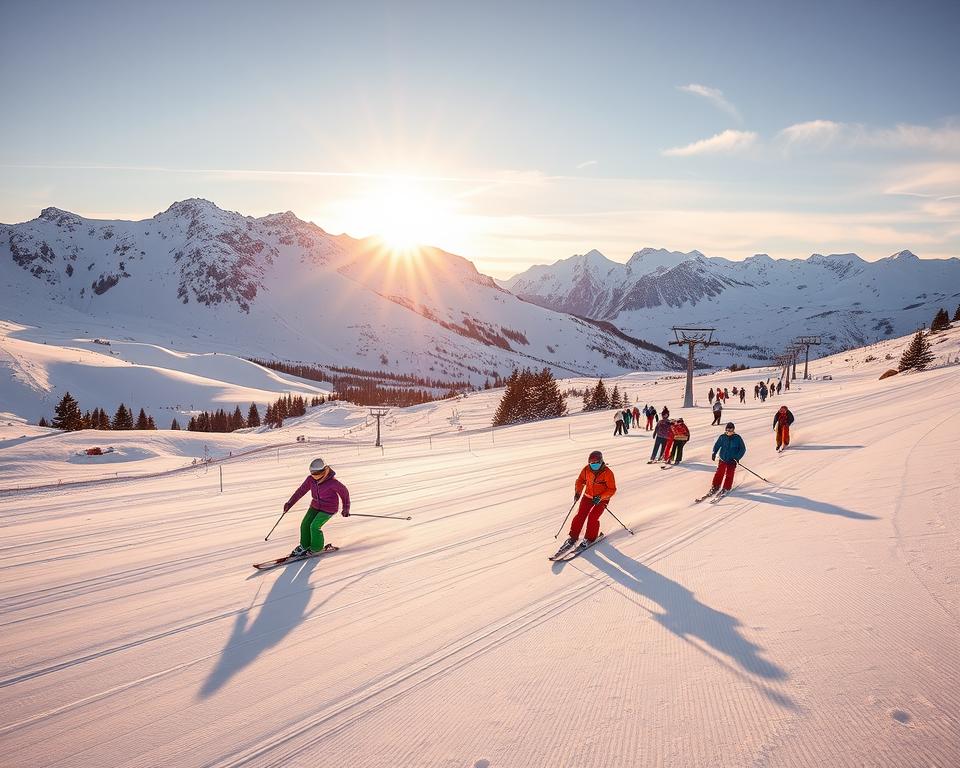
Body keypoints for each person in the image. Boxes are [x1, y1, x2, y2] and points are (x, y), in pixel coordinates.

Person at [283, 457, 351, 557]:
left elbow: (344, 492)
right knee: (305, 524)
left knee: (314, 526)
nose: (314, 475)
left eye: (316, 473)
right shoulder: (310, 480)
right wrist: (290, 503)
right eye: (312, 473)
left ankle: (316, 548)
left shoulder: (333, 482)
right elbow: (300, 491)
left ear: (324, 471)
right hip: (315, 506)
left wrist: (346, 508)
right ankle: (304, 546)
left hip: (329, 508)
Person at [559, 450, 617, 551]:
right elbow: (580, 480)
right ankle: (573, 537)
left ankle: (590, 538)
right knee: (580, 515)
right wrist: (578, 492)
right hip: (588, 496)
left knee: (593, 516)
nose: (594, 465)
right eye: (592, 463)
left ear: (601, 461)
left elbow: (612, 489)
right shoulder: (586, 469)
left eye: (597, 463)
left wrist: (601, 497)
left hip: (602, 499)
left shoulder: (607, 473)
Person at [706, 423, 746, 496]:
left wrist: (737, 457)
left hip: (732, 460)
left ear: (733, 430)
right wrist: (714, 453)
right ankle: (715, 486)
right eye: (728, 429)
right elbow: (717, 445)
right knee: (719, 473)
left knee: (729, 474)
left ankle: (726, 487)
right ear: (725, 429)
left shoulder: (737, 438)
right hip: (723, 458)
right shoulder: (722, 437)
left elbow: (742, 449)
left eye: (731, 429)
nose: (729, 431)